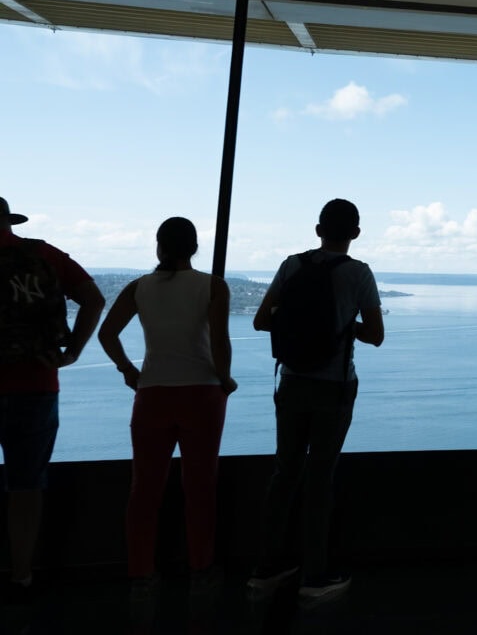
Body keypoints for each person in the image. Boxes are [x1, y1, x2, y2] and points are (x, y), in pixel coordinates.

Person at [247, 199, 383, 604]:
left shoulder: (293, 265)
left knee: (284, 472)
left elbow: (260, 320)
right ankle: (315, 574)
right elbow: (375, 334)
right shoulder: (358, 273)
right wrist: (344, 327)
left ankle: (267, 568)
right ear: (355, 234)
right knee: (320, 478)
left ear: (317, 229)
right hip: (334, 386)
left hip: (290, 383)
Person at [97, 217, 236, 597]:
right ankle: (201, 568)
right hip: (203, 395)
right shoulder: (213, 286)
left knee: (144, 488)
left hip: (153, 394)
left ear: (159, 247)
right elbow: (220, 343)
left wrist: (128, 370)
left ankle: (141, 572)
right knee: (201, 486)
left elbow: (106, 334)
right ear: (193, 248)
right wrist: (225, 378)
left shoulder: (138, 287)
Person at [0, 197, 104, 601]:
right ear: (9, 223)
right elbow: (93, 299)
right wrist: (74, 351)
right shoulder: (45, 255)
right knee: (26, 487)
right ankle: (21, 575)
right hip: (37, 386)